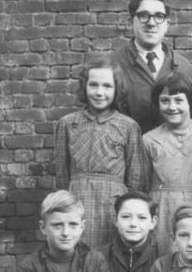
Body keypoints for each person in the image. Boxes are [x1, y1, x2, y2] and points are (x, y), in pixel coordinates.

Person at [54, 57, 145, 248]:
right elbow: (61, 173)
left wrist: (127, 209)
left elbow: (135, 178)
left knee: (110, 253)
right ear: (84, 87)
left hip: (112, 205)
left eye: (107, 86)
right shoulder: (67, 123)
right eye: (93, 85)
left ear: (116, 89)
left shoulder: (128, 126)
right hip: (77, 200)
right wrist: (66, 204)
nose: (99, 92)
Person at [143, 72, 192, 254]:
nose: (172, 107)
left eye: (179, 100)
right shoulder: (149, 140)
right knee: (163, 257)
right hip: (162, 210)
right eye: (165, 101)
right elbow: (144, 183)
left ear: (190, 102)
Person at [112, 0, 192, 133]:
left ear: (167, 24)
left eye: (159, 16)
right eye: (143, 15)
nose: (151, 23)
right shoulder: (113, 65)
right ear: (131, 22)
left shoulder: (184, 67)